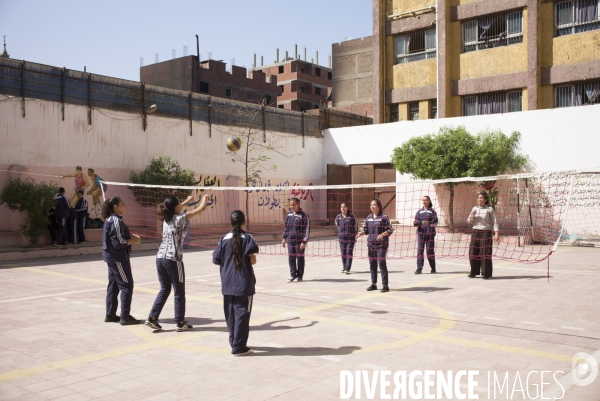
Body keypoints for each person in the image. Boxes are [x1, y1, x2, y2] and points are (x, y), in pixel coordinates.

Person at [145, 194, 209, 332]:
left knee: (165, 289)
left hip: (160, 258)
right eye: (180, 203)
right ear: (176, 207)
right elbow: (201, 209)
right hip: (173, 259)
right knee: (179, 291)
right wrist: (204, 197)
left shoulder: (166, 219)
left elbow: (177, 207)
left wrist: (187, 200)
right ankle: (180, 322)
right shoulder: (180, 219)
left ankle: (152, 318)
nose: (182, 205)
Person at [212, 210, 259, 356]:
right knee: (242, 314)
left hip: (227, 282)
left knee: (230, 314)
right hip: (243, 283)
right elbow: (253, 261)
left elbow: (216, 260)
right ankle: (239, 346)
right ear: (244, 222)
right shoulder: (248, 238)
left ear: (230, 223)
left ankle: (234, 342)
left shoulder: (224, 239)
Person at [101, 196, 142, 325]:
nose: (125, 207)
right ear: (115, 207)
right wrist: (133, 241)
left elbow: (117, 237)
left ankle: (110, 314)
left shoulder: (111, 220)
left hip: (112, 257)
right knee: (127, 285)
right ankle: (125, 316)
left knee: (113, 285)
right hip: (117, 258)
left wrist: (130, 237)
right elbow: (117, 242)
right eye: (122, 204)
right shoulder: (115, 221)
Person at [356, 199, 393, 293]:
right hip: (371, 244)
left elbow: (390, 230)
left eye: (374, 205)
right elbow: (366, 230)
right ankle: (374, 284)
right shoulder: (369, 217)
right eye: (371, 205)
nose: (372, 206)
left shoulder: (384, 217)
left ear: (378, 206)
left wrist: (382, 234)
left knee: (381, 263)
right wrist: (361, 233)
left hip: (381, 245)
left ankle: (385, 285)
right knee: (372, 265)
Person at [467, 192, 500, 279]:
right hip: (475, 232)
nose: (479, 199)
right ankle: (473, 272)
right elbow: (469, 221)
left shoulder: (489, 209)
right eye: (478, 198)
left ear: (485, 200)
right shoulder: (474, 208)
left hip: (486, 232)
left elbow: (495, 221)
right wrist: (472, 216)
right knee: (472, 252)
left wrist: (496, 233)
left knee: (485, 253)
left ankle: (486, 273)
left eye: (481, 198)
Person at [282, 197, 310, 283]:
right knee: (291, 258)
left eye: (294, 204)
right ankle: (293, 275)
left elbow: (307, 229)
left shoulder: (304, 215)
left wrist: (304, 241)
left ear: (298, 204)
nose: (292, 206)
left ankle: (300, 276)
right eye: (291, 205)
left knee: (300, 258)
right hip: (290, 240)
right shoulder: (289, 214)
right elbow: (286, 227)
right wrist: (284, 238)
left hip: (299, 240)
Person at [414, 195, 438, 274]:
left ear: (429, 201)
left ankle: (433, 268)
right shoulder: (419, 212)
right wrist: (415, 223)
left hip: (430, 234)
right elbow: (417, 222)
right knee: (420, 251)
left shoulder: (432, 211)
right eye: (423, 200)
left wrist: (429, 223)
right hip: (421, 234)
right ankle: (419, 268)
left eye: (426, 200)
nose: (424, 201)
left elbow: (436, 223)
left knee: (429, 251)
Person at [335, 202, 357, 274]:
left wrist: (355, 235)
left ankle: (347, 268)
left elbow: (355, 226)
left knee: (349, 252)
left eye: (344, 207)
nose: (343, 208)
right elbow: (337, 226)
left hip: (350, 238)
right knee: (343, 253)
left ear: (347, 208)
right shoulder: (338, 217)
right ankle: (344, 267)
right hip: (341, 238)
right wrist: (340, 234)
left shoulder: (351, 216)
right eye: (341, 207)